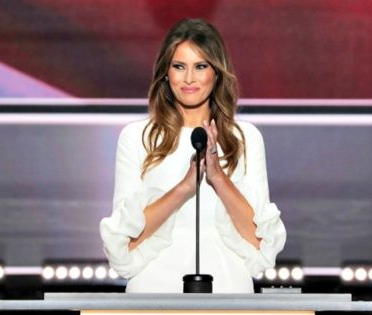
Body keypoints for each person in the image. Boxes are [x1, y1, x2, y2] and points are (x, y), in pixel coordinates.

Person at [99, 18, 286, 293]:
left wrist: (218, 178)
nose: (189, 79)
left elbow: (260, 245)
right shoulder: (138, 138)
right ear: (166, 72)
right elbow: (124, 245)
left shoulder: (244, 139)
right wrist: (185, 188)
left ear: (217, 73)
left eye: (200, 66)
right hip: (153, 295)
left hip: (228, 293)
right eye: (179, 66)